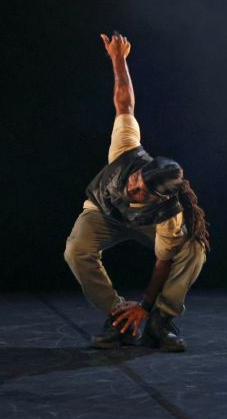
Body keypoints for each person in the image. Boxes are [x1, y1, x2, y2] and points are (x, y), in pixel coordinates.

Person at [64, 33, 210, 352]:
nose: (133, 188)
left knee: (194, 250)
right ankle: (118, 318)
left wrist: (145, 305)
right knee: (76, 249)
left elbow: (162, 263)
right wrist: (119, 60)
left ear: (161, 197)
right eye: (135, 181)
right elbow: (124, 102)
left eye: (142, 191)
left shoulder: (169, 214)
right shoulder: (126, 148)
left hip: (148, 225)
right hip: (105, 214)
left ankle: (160, 322)